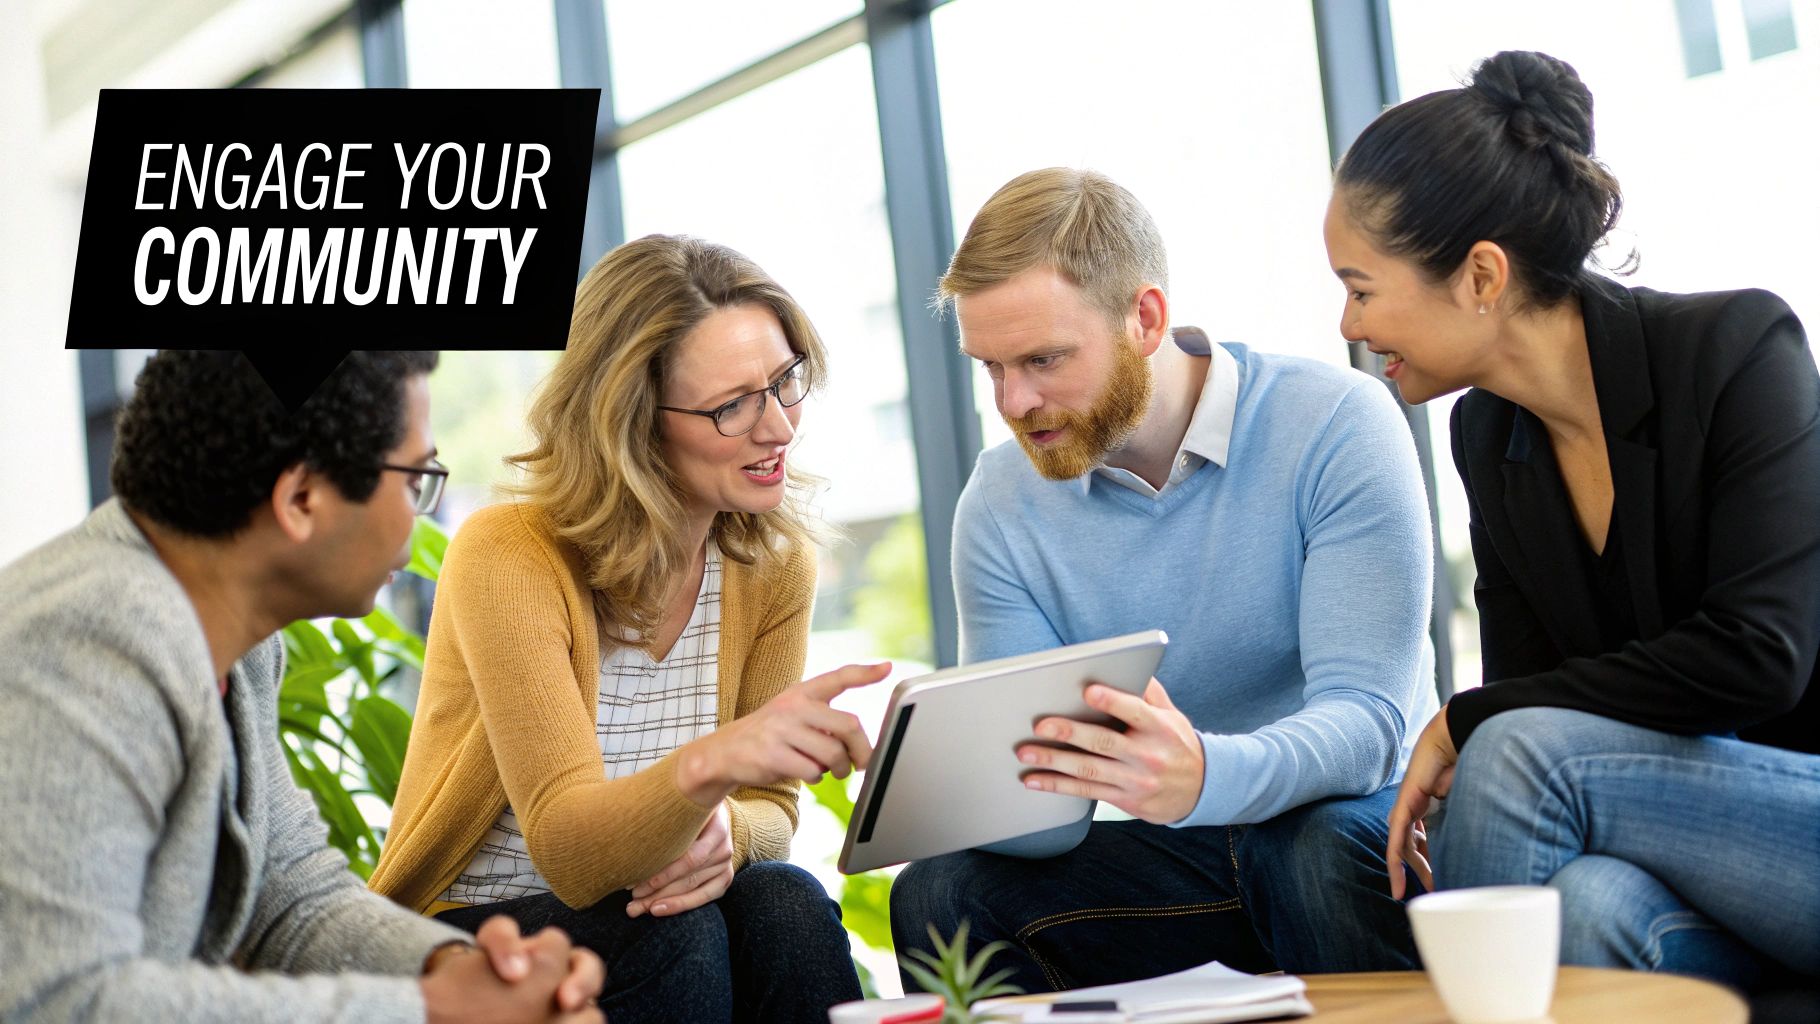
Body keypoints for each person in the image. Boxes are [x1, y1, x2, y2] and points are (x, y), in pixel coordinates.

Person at [1324, 50, 1820, 991]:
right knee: (1585, 907)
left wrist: (1469, 721)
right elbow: (1533, 682)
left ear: (1480, 275)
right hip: (1696, 872)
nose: (1348, 325)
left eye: (1362, 288)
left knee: (1511, 746)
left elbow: (1761, 653)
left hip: (1800, 818)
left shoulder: (1739, 350)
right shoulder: (1489, 433)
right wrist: (1483, 728)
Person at [888, 168, 1439, 991]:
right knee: (941, 891)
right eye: (990, 367)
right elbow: (1045, 833)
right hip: (1190, 850)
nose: (1014, 400)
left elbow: (1369, 728)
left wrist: (1204, 776)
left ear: (1145, 318)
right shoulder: (1001, 503)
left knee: (1313, 849)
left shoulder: (1333, 422)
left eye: (1042, 359)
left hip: (1353, 820)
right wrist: (948, 783)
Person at [0, 350, 605, 1024]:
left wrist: (463, 973)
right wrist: (428, 1010)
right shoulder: (88, 648)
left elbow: (292, 895)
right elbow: (57, 1002)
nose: (419, 518)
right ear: (301, 499)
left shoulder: (239, 643)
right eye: (415, 481)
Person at [368, 235, 880, 1024]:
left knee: (782, 902)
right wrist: (710, 768)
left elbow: (770, 810)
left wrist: (726, 832)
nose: (778, 428)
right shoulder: (511, 554)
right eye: (732, 405)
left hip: (656, 913)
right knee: (670, 940)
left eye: (785, 383)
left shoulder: (773, 564)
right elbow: (569, 857)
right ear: (633, 422)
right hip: (474, 932)